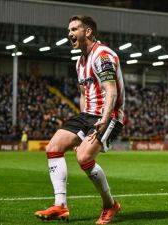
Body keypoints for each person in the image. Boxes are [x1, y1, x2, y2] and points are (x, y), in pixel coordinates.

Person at [35, 15, 125, 225]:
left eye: (75, 29)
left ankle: (110, 205)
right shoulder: (80, 61)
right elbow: (84, 94)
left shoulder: (102, 55)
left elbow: (111, 92)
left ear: (88, 31)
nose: (70, 33)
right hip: (87, 115)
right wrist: (80, 132)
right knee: (53, 147)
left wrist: (103, 119)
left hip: (109, 115)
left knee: (84, 158)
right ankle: (60, 206)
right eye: (69, 30)